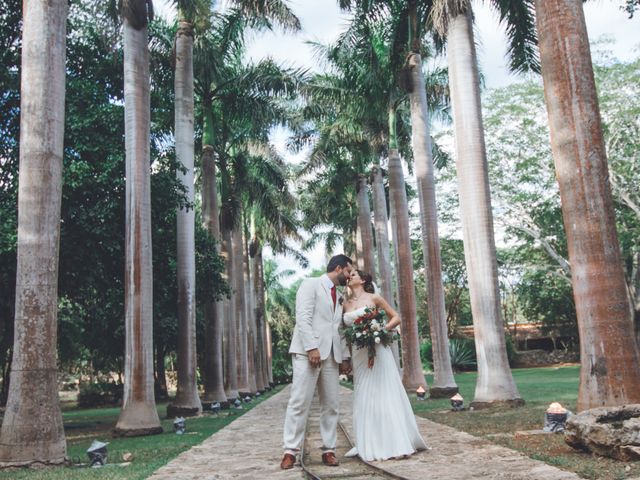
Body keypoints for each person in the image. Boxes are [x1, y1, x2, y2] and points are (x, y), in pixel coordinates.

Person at [342, 269, 428, 461]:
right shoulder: (345, 304)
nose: (350, 277)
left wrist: (380, 330)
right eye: (349, 275)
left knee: (384, 391)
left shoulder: (375, 298)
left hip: (378, 351)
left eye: (354, 274)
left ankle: (395, 441)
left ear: (363, 280)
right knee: (364, 393)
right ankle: (368, 441)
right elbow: (342, 331)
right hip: (359, 354)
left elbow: (396, 317)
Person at [280, 255, 354, 470]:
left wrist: (345, 357)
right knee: (299, 401)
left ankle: (329, 449)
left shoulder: (339, 295)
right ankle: (290, 451)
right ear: (339, 268)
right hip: (307, 354)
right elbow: (303, 318)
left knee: (331, 404)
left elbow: (338, 328)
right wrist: (312, 347)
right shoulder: (310, 284)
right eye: (348, 271)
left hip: (332, 357)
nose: (350, 276)